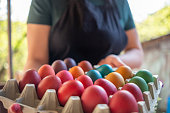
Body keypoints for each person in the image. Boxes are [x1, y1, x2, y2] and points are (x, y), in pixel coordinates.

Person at [9, 1, 143, 112]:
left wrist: (117, 61)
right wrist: (29, 85)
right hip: (58, 98)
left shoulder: (121, 3)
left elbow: (136, 51)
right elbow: (36, 59)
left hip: (109, 89)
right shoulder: (46, 2)